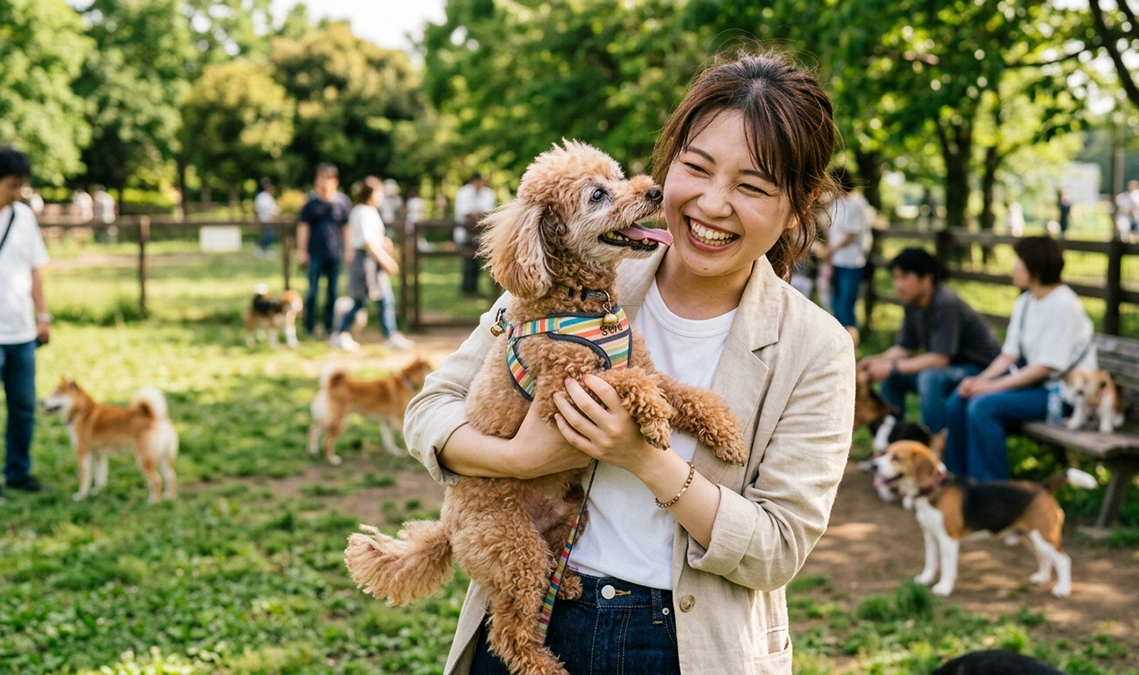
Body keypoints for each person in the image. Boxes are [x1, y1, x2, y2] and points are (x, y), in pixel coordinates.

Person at [404, 51, 854, 674]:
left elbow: (778, 548)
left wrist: (645, 459)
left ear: (797, 207)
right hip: (540, 602)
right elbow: (428, 409)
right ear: (668, 166)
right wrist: (517, 458)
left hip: (678, 644)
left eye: (751, 186)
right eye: (696, 168)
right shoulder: (572, 270)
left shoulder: (815, 347)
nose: (714, 204)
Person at [943, 236, 1096, 481]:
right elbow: (1009, 355)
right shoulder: (1025, 301)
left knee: (983, 407)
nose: (1014, 267)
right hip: (1035, 388)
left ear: (1035, 267)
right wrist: (978, 381)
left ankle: (992, 493)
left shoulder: (1064, 305)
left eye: (1019, 261)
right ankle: (956, 484)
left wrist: (990, 387)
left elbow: (1044, 368)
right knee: (960, 398)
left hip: (1064, 394)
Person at [858, 248, 1001, 433]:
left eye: (904, 278)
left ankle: (932, 445)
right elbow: (905, 347)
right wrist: (877, 361)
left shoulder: (945, 303)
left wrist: (892, 366)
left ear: (927, 279)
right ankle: (891, 441)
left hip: (982, 370)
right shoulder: (912, 302)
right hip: (950, 368)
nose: (897, 285)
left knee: (929, 378)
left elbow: (941, 359)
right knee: (891, 377)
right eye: (895, 278)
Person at [0, 147, 50, 499]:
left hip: (21, 331)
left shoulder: (25, 218)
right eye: (12, 184)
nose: (18, 192)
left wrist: (42, 315)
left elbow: (35, 269)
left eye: (22, 185)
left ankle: (18, 471)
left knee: (23, 408)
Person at [331, 176, 414, 351]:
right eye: (380, 192)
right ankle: (340, 334)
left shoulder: (370, 211)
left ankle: (389, 335)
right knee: (361, 301)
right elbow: (368, 242)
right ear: (371, 193)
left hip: (373, 260)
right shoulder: (361, 211)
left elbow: (375, 237)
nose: (381, 196)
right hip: (365, 261)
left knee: (384, 299)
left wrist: (385, 243)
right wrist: (387, 261)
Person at [296, 163, 352, 337]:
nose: (324, 183)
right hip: (315, 253)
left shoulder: (342, 203)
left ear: (335, 181)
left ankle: (329, 327)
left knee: (332, 292)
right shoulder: (310, 204)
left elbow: (346, 228)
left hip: (334, 253)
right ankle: (309, 327)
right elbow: (303, 228)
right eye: (320, 178)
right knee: (312, 292)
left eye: (327, 179)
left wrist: (348, 249)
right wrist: (302, 250)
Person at [824, 166, 871, 328]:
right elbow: (830, 232)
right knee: (835, 304)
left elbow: (850, 235)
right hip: (836, 261)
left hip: (852, 261)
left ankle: (851, 343)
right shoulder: (835, 204)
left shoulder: (857, 203)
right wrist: (828, 260)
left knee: (846, 304)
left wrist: (830, 250)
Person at [453, 172, 496, 297]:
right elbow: (465, 213)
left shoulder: (488, 193)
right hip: (465, 234)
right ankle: (467, 289)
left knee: (478, 264)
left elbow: (487, 213)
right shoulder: (464, 193)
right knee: (468, 263)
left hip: (480, 234)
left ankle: (474, 289)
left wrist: (476, 214)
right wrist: (478, 215)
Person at [254, 178, 279, 257]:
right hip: (265, 219)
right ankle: (262, 249)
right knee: (267, 235)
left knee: (269, 235)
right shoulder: (262, 196)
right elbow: (267, 208)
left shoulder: (264, 196)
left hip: (268, 219)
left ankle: (264, 249)